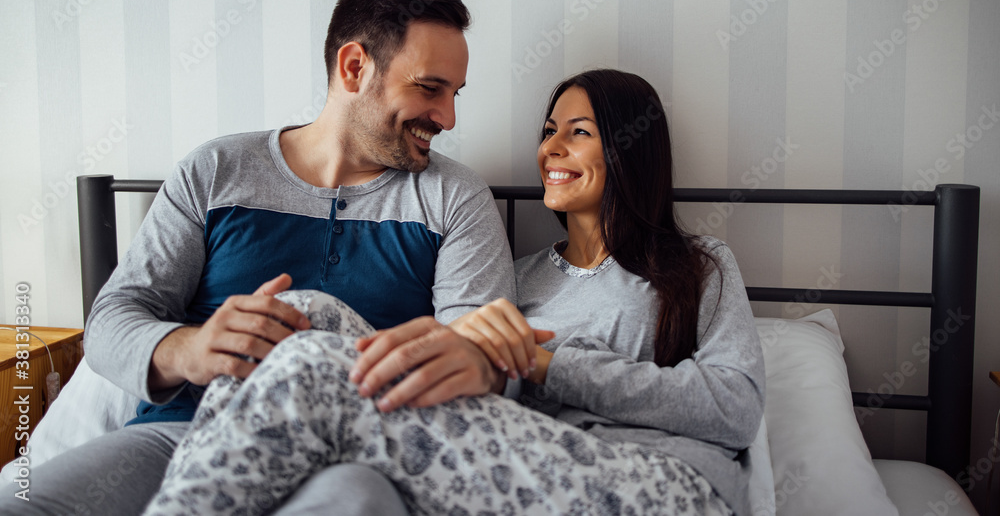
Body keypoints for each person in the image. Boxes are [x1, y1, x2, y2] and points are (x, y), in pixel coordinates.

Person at [1, 0, 516, 516]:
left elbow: (481, 359)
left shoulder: (455, 199)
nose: (448, 117)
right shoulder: (216, 172)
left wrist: (474, 359)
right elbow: (113, 320)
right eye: (429, 88)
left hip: (353, 459)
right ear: (355, 67)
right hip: (185, 435)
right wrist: (191, 349)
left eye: (454, 94)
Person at [141, 69, 766, 516]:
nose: (551, 147)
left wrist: (549, 362)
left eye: (578, 132)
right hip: (521, 470)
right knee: (298, 318)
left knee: (307, 369)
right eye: (549, 130)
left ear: (633, 148)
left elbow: (734, 407)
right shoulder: (516, 279)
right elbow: (489, 401)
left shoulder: (697, 266)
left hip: (664, 486)